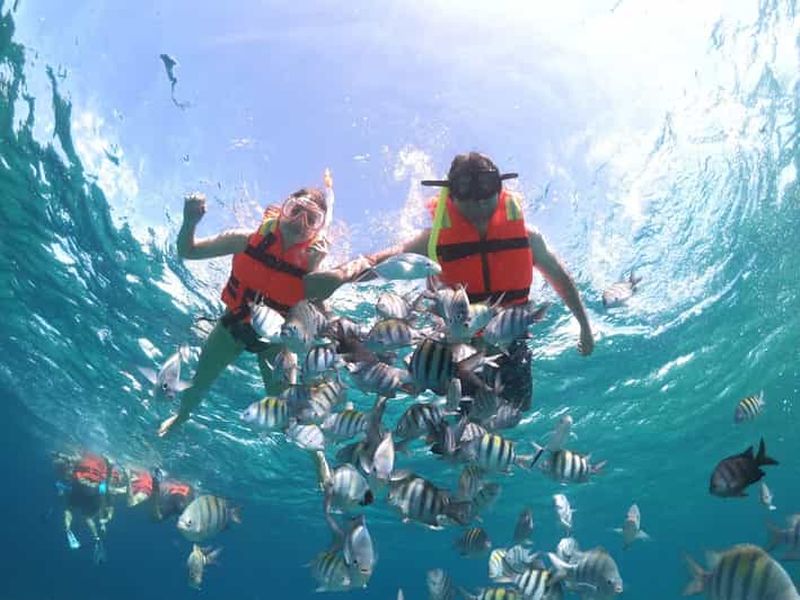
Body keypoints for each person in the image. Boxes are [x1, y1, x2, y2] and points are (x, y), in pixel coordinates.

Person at [306, 152, 594, 410]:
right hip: (453, 344)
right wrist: (339, 276)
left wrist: (584, 325)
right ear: (450, 195)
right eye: (465, 189)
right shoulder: (432, 240)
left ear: (500, 187)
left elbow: (560, 279)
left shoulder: (529, 238)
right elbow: (379, 262)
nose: (478, 199)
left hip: (511, 339)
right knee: (459, 418)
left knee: (516, 410)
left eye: (486, 186)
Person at [158, 175, 335, 437]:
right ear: (283, 209)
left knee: (289, 408)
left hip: (276, 342)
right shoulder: (245, 239)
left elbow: (321, 318)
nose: (300, 222)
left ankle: (317, 456)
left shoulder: (314, 265)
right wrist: (190, 221)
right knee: (198, 383)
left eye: (311, 219)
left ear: (316, 231)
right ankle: (181, 416)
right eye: (295, 210)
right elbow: (189, 251)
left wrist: (314, 271)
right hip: (232, 326)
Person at [53, 451, 126, 563]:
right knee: (88, 516)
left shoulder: (83, 462)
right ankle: (96, 537)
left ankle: (68, 529)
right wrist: (103, 523)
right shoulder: (103, 486)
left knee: (69, 509)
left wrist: (61, 456)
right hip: (93, 490)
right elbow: (105, 493)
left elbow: (71, 468)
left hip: (83, 488)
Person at [127, 467, 195, 521]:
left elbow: (131, 502)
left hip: (173, 492)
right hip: (179, 490)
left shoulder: (145, 491)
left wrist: (128, 480)